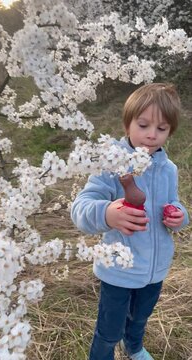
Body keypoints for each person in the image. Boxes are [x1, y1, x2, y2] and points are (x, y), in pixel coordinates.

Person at [71, 83, 189, 360]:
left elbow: (175, 203)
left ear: (170, 131)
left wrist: (179, 216)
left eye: (161, 129)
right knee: (109, 330)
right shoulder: (112, 164)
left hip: (155, 269)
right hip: (118, 272)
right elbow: (81, 208)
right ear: (127, 125)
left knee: (139, 320)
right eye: (144, 125)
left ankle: (134, 348)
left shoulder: (168, 169)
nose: (151, 135)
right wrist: (107, 214)